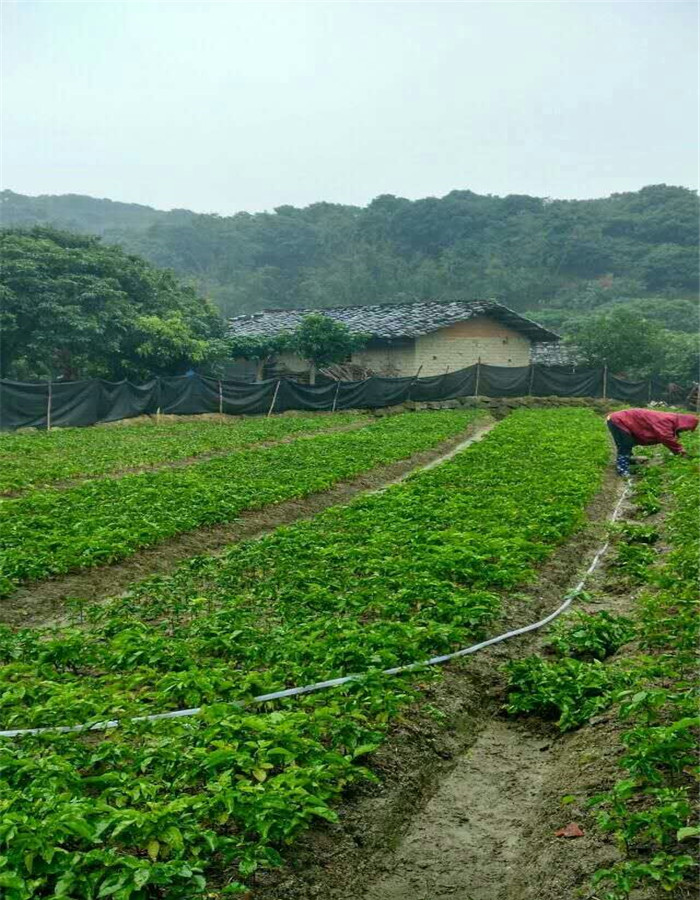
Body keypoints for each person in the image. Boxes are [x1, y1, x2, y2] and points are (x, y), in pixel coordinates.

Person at [606, 408, 698, 477]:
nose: (685, 430)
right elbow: (665, 437)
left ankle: (628, 460)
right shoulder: (667, 420)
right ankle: (622, 470)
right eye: (686, 428)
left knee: (627, 442)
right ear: (685, 423)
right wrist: (679, 450)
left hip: (622, 420)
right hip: (619, 420)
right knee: (625, 444)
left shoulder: (672, 419)